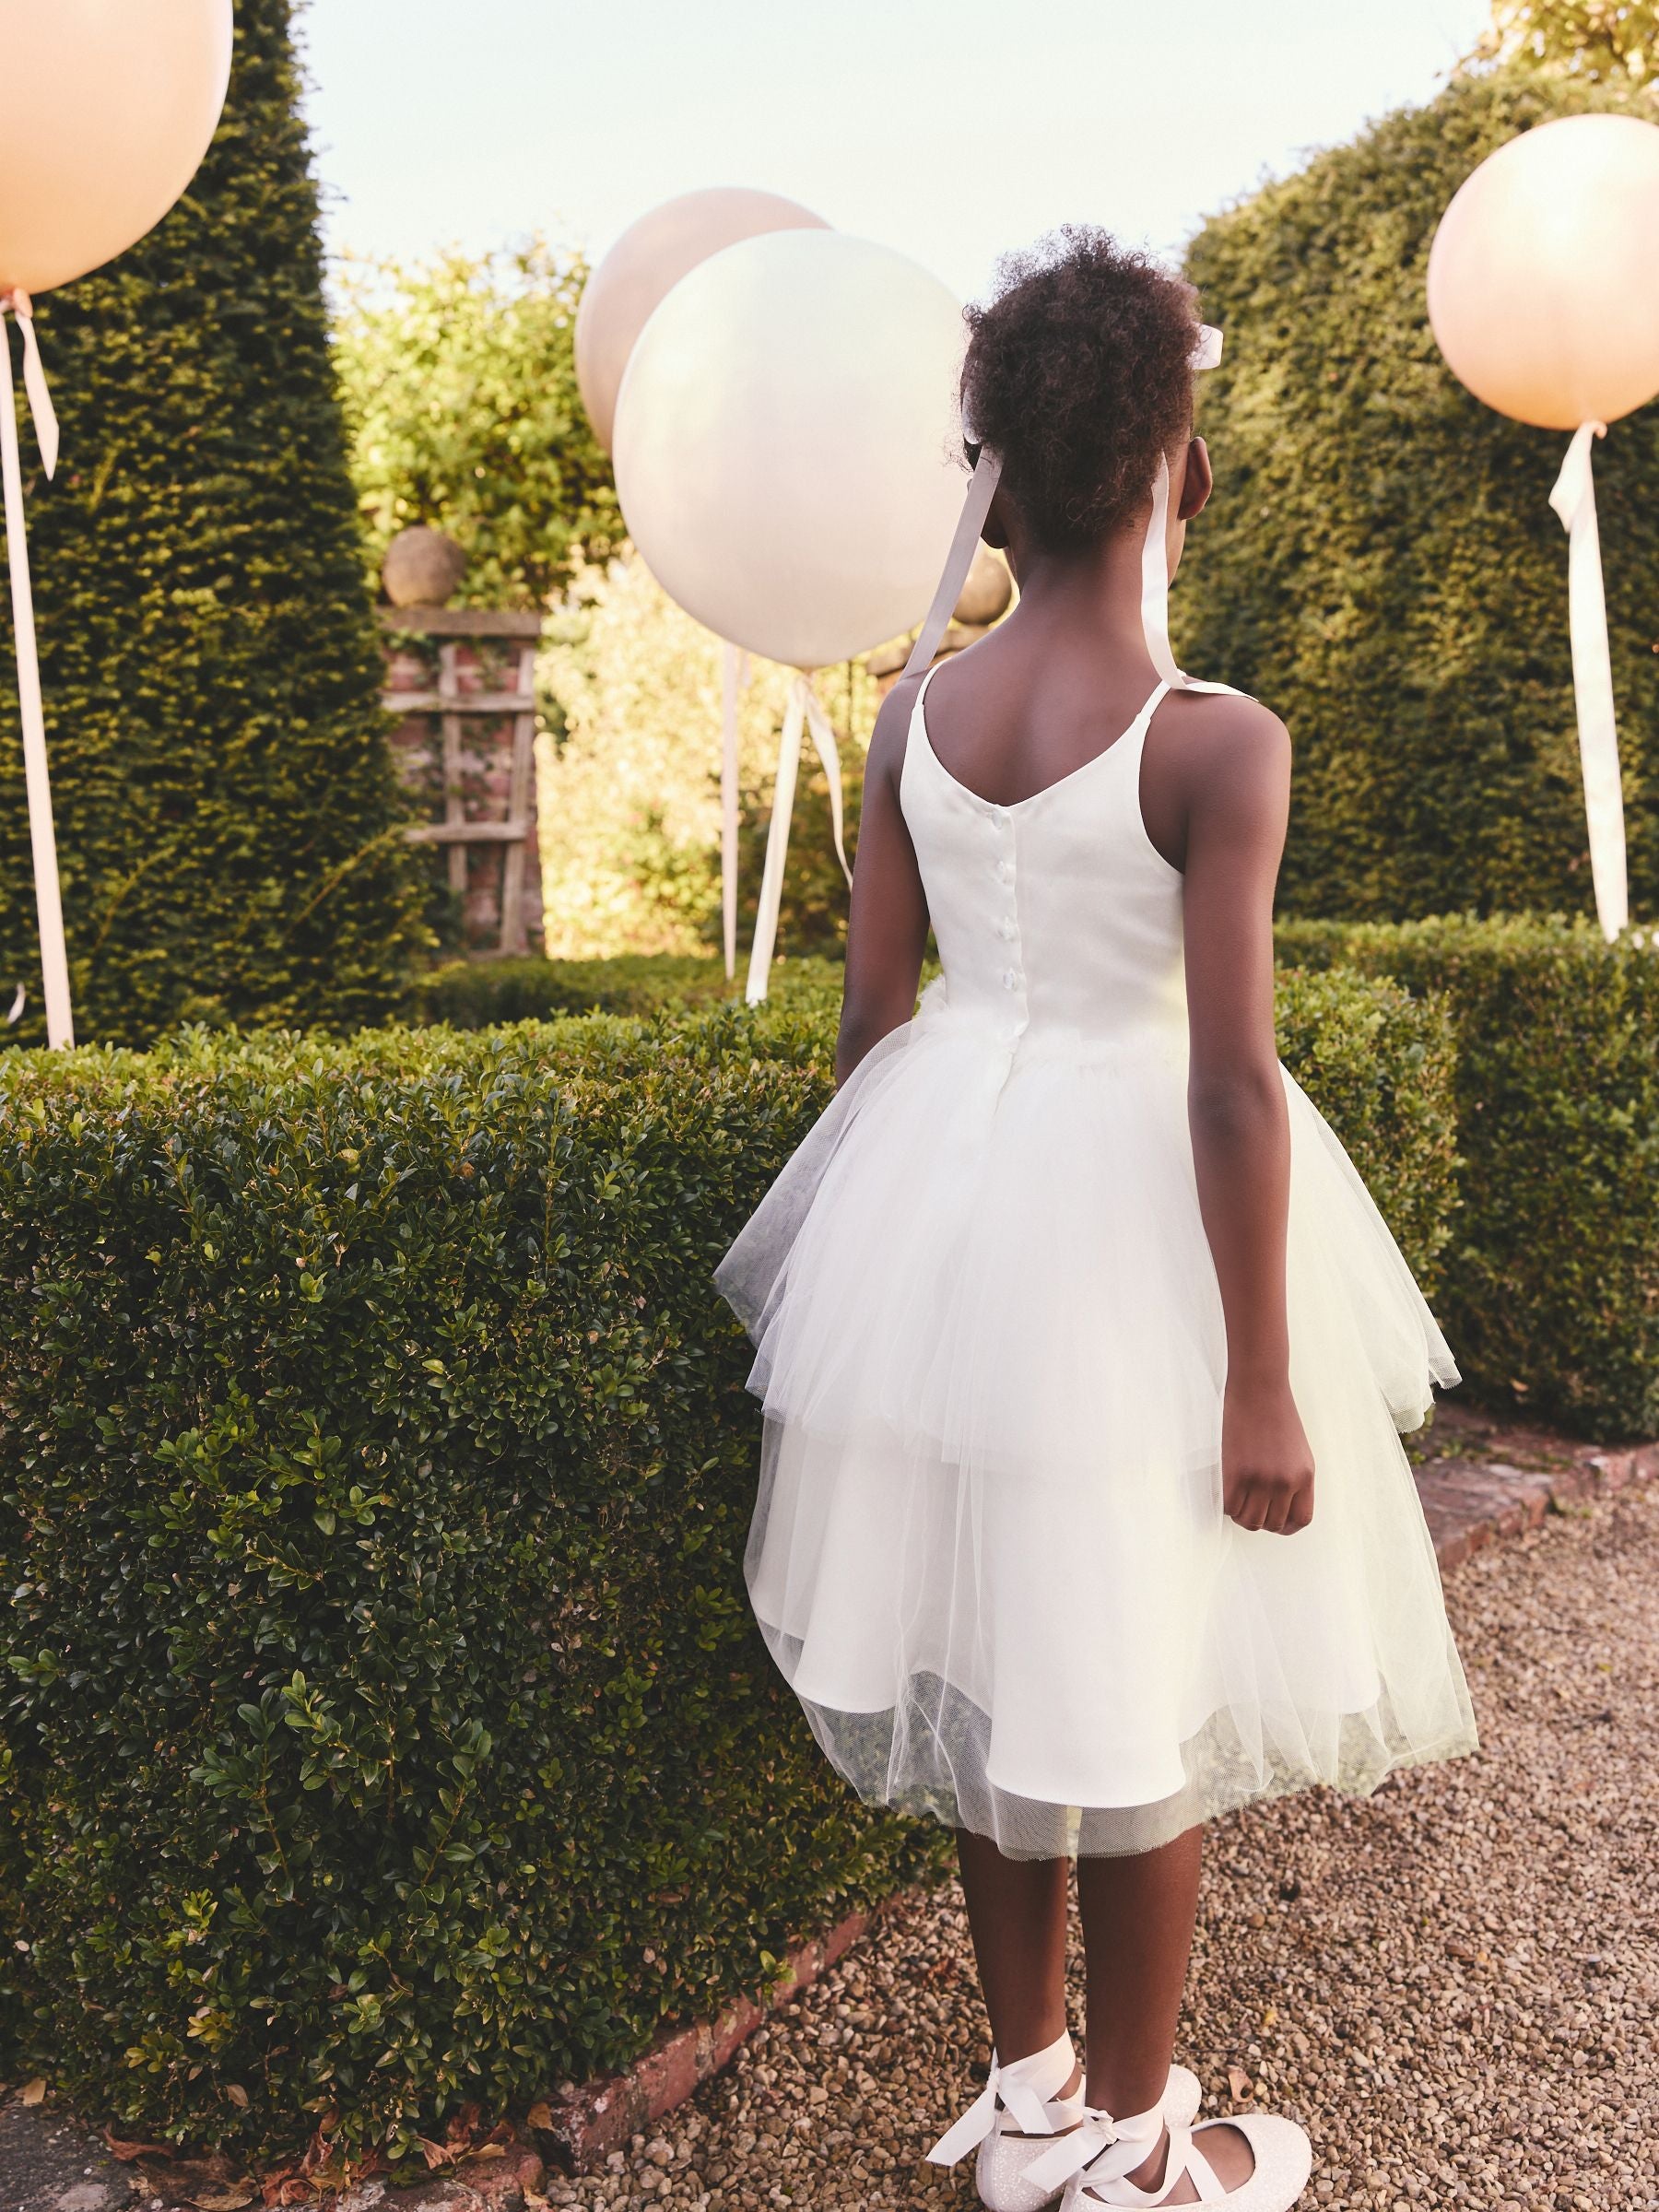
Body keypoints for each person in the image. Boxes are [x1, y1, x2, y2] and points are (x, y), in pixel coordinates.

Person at [715, 228, 1477, 2212]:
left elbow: (875, 1027)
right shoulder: (1217, 741)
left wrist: (897, 1259)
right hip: (1144, 1235)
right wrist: (1264, 1383)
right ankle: (1142, 2151)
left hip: (953, 1202)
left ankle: (1032, 2087)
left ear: (992, 465)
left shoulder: (913, 721)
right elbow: (1230, 1082)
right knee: (1128, 1669)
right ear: (1180, 467)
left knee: (992, 1649)